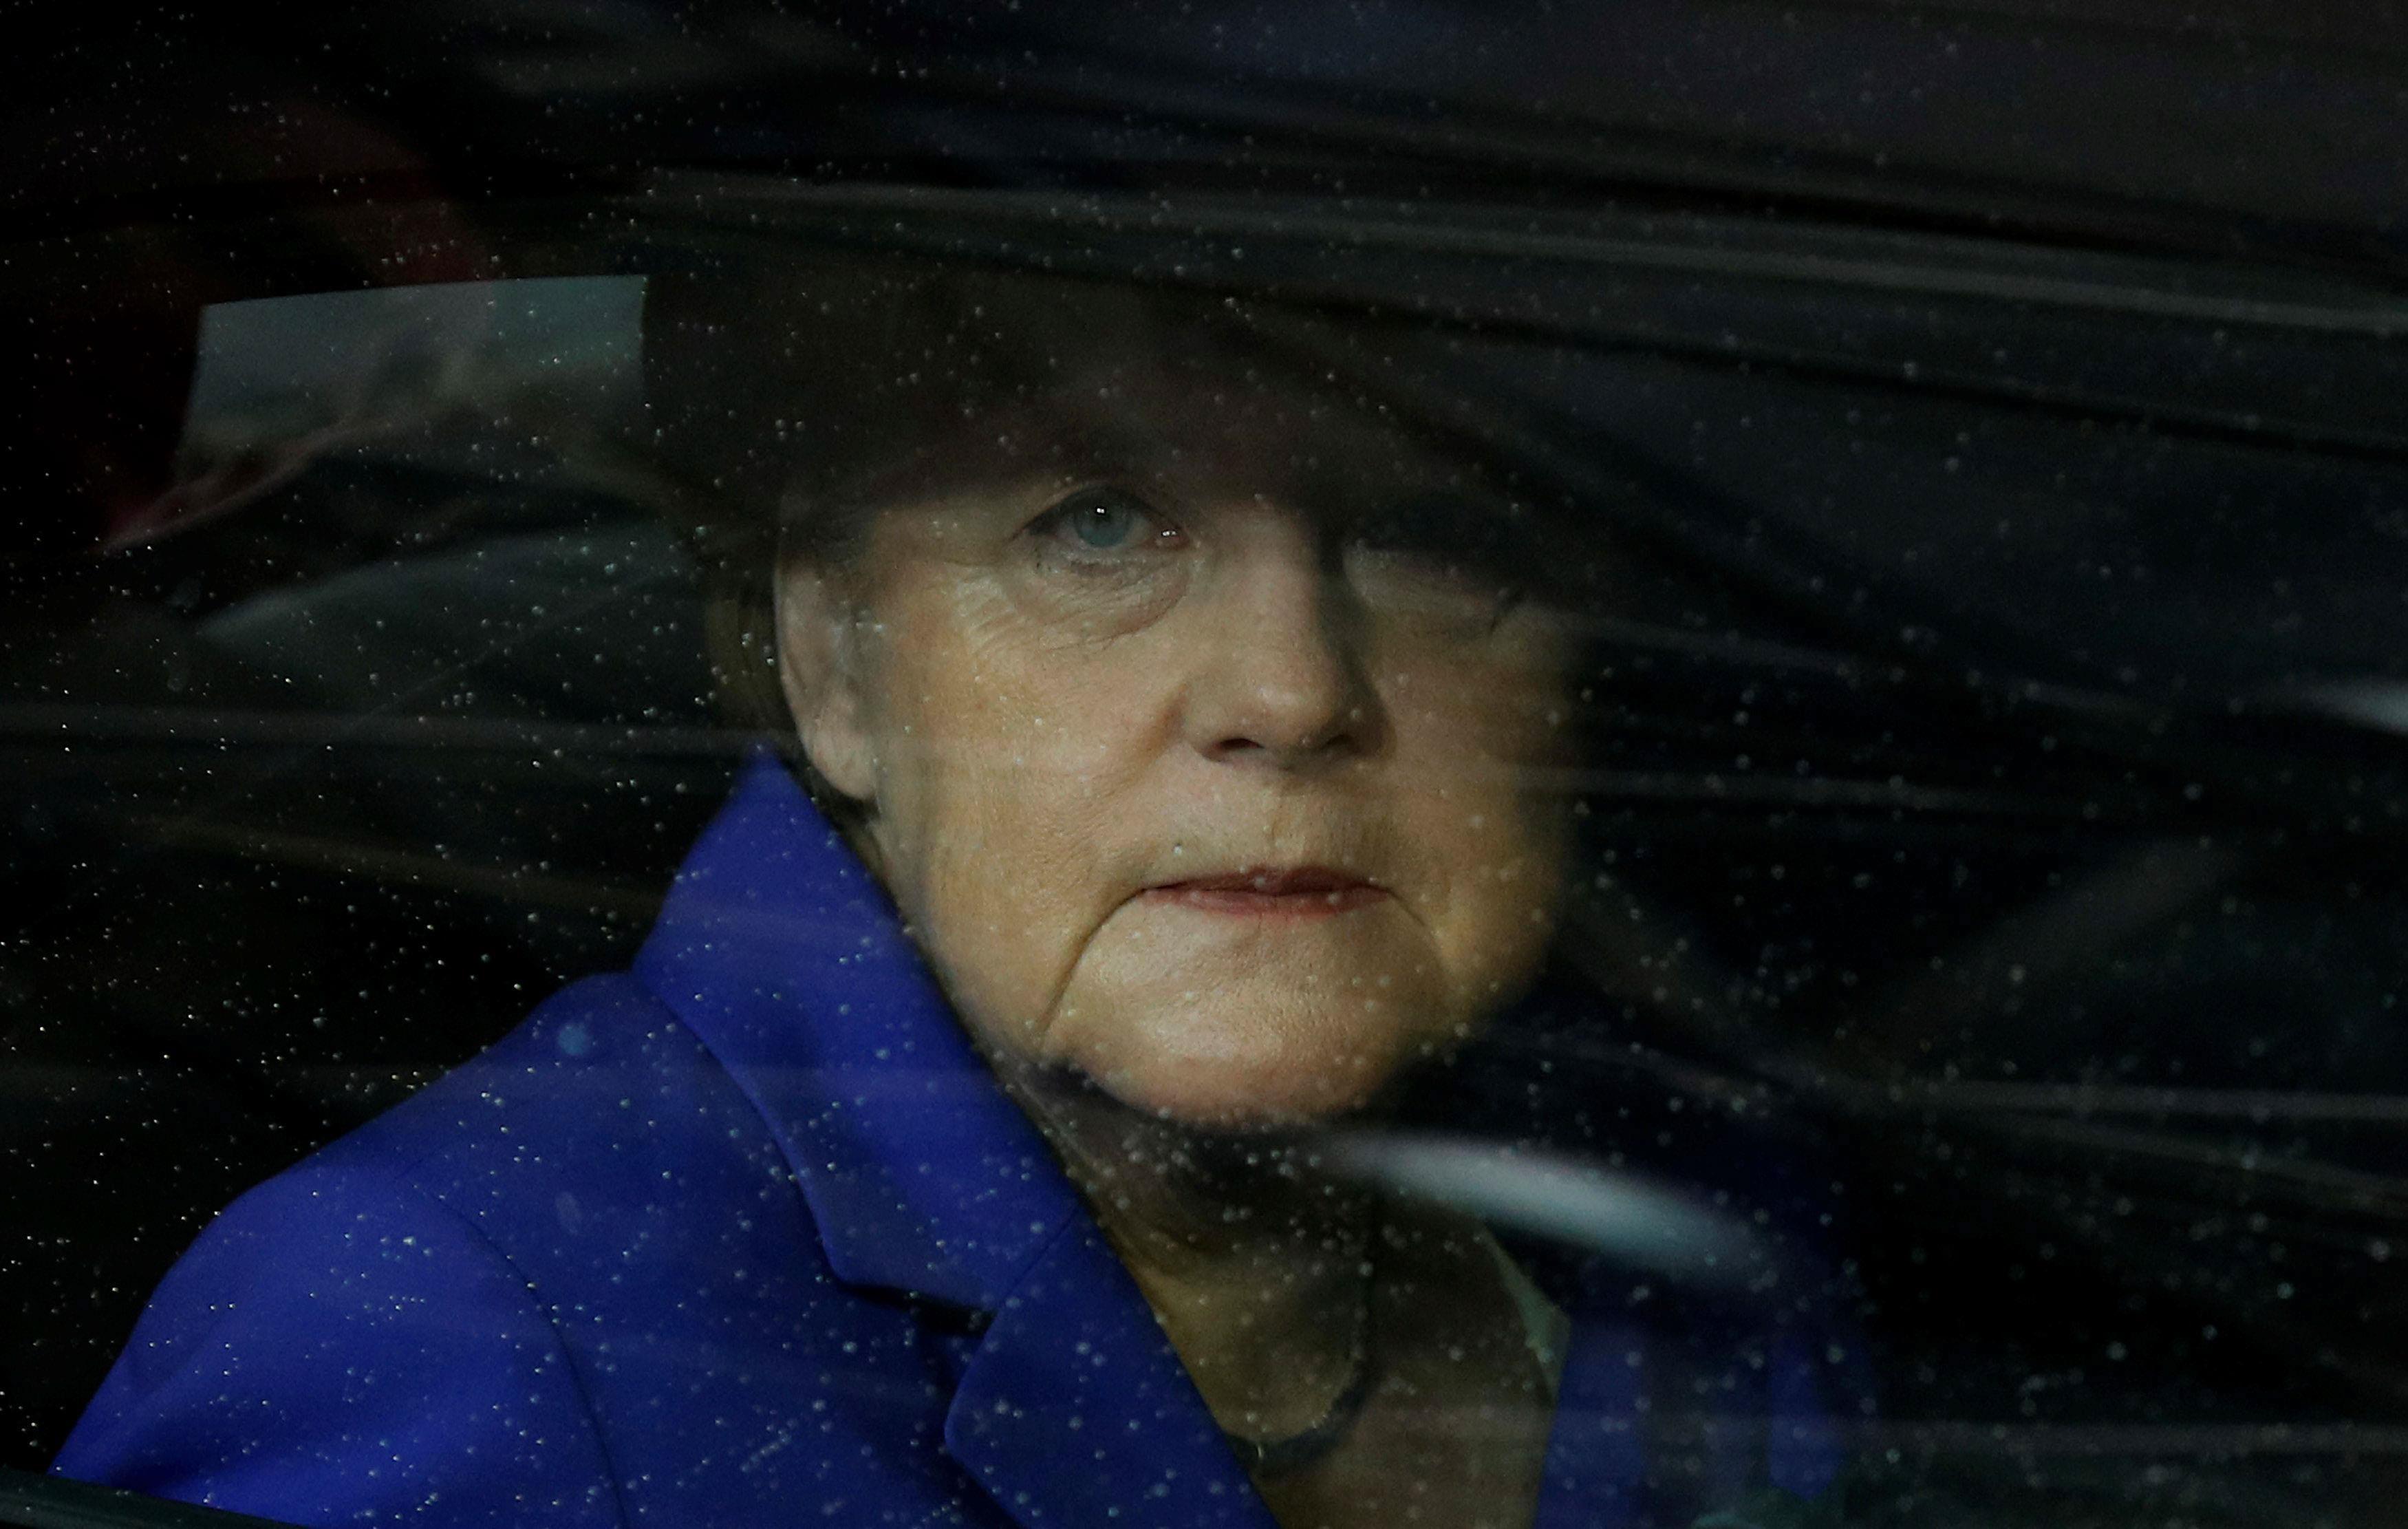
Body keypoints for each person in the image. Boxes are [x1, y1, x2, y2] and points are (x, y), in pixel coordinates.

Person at [52, 260, 1857, 1528]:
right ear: (831, 661)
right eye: (1093, 524)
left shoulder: (1698, 1194)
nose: (1292, 690)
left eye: (1433, 535)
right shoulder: (447, 1319)